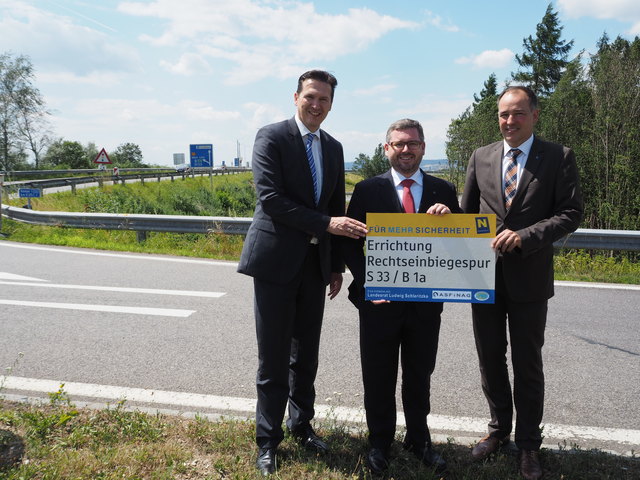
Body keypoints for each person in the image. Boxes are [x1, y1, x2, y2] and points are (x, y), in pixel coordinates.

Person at [237, 69, 368, 476]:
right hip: (276, 263)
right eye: (310, 97)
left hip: (314, 267)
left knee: (305, 356)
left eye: (324, 100)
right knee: (273, 358)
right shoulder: (271, 137)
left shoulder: (333, 147)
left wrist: (333, 266)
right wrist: (327, 225)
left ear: (331, 104)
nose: (316, 105)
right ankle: (267, 441)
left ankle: (302, 425)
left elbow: (333, 204)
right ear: (295, 97)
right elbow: (272, 199)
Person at [461, 86, 583, 480]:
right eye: (503, 115)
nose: (509, 121)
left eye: (517, 114)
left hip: (529, 278)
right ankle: (498, 431)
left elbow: (570, 213)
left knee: (527, 365)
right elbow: (466, 215)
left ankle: (529, 446)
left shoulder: (558, 157)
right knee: (489, 360)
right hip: (484, 279)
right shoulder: (481, 156)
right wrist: (443, 214)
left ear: (534, 114)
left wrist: (526, 236)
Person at [342, 118, 461, 475]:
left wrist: (451, 220)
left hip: (426, 304)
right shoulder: (366, 190)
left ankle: (419, 438)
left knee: (420, 373)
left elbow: (458, 248)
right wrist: (366, 284)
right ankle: (379, 441)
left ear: (423, 147)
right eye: (399, 144)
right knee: (377, 375)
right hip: (379, 303)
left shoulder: (444, 190)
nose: (406, 150)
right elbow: (350, 243)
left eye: (413, 144)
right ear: (387, 149)